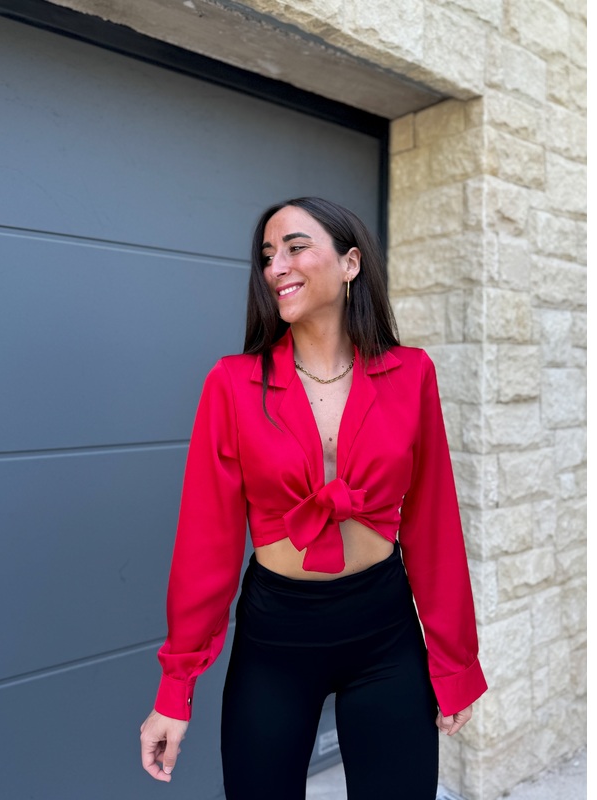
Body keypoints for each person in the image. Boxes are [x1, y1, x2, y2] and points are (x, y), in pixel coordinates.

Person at [140, 197, 487, 799]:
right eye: (267, 256)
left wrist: (454, 662)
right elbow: (206, 545)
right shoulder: (233, 384)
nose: (276, 267)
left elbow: (434, 526)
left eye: (296, 247)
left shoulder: (412, 374)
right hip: (276, 634)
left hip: (384, 628)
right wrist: (176, 690)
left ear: (350, 263)